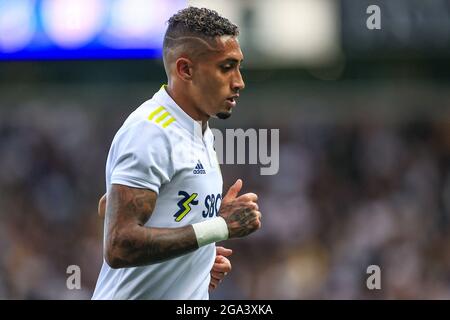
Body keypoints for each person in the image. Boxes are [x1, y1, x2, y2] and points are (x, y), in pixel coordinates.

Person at [92, 7, 262, 300]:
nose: (238, 82)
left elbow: (108, 207)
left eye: (239, 67)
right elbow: (119, 244)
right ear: (185, 70)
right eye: (226, 67)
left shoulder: (197, 129)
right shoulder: (151, 130)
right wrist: (220, 226)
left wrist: (194, 265)